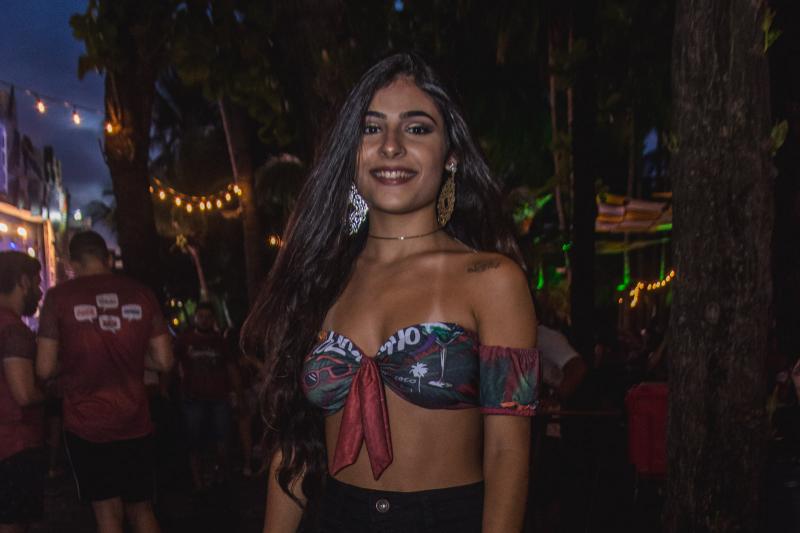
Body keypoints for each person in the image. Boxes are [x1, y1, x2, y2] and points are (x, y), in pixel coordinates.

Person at [242, 53, 539, 532]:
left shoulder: (493, 280)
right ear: (351, 152)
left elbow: (508, 451)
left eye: (417, 129)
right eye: (371, 128)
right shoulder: (320, 276)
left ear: (451, 155)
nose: (391, 146)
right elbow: (294, 444)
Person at [35, 231, 173, 533]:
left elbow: (44, 369)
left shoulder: (58, 298)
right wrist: (131, 358)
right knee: (142, 508)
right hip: (135, 420)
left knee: (108, 514)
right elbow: (164, 361)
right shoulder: (141, 293)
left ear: (72, 263)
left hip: (86, 424)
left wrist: (73, 362)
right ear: (107, 258)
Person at [174, 302, 241, 491]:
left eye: (208, 316)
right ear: (195, 317)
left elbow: (231, 367)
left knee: (222, 439)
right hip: (193, 398)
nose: (204, 320)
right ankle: (198, 482)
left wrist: (239, 394)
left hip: (219, 398)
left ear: (213, 319)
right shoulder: (184, 340)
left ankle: (220, 475)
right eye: (200, 316)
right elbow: (171, 364)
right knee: (194, 441)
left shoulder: (220, 341)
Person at [0, 252, 44, 533]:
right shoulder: (13, 330)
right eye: (37, 283)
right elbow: (24, 394)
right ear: (23, 282)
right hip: (15, 444)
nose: (40, 292)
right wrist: (52, 390)